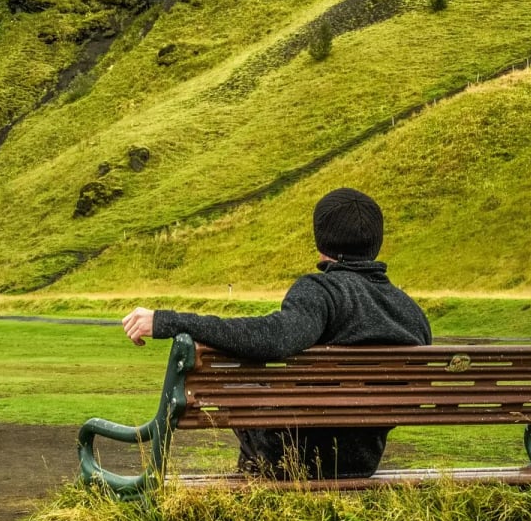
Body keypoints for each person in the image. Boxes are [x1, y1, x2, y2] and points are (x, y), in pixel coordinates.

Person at [120, 187, 431, 480]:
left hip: (292, 456)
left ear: (320, 241)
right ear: (375, 242)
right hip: (362, 461)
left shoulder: (322, 292)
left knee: (242, 385)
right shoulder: (410, 312)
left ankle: (253, 502)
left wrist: (168, 321)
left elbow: (272, 338)